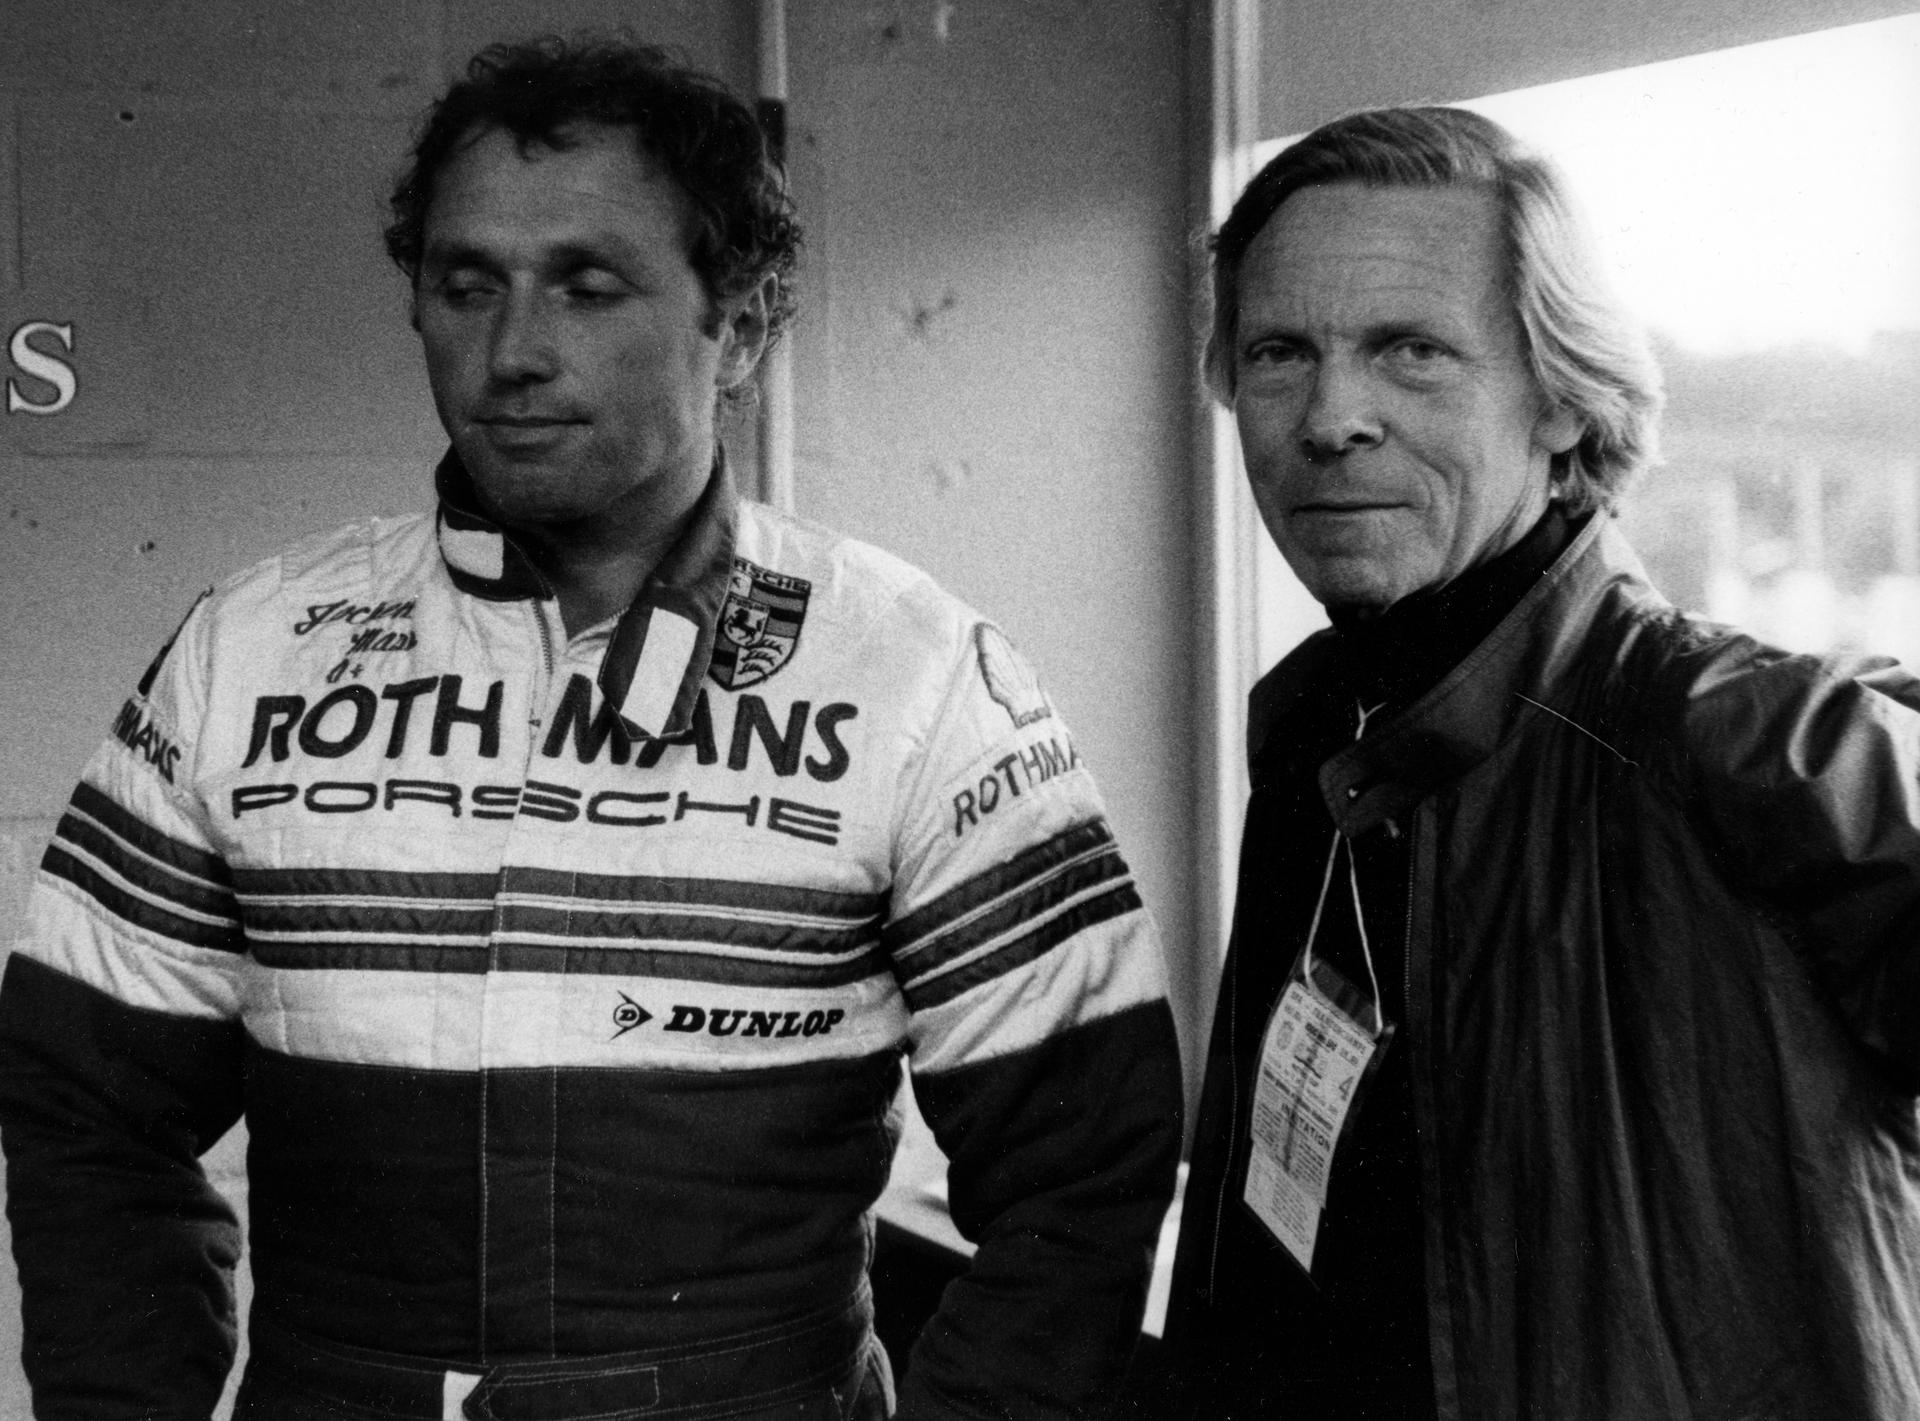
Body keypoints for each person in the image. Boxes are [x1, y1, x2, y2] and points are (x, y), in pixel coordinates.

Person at [0, 35, 1183, 1421]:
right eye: (466, 285)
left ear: (737, 326)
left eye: (587, 285)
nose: (512, 353)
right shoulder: (245, 654)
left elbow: (1088, 1182)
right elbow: (84, 1111)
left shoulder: (919, 675)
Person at [1153, 105, 1920, 1420]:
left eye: (1411, 352)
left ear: (1563, 405)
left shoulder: (1742, 738)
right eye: (1282, 352)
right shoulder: (1315, 744)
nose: (1331, 416)